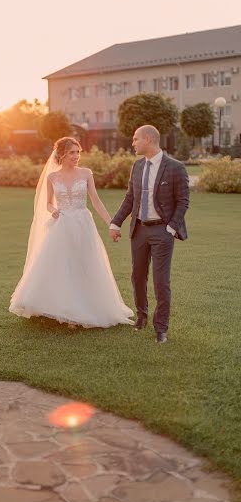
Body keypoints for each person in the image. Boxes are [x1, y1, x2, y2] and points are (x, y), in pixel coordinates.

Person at [9, 136, 133, 328]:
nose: (76, 156)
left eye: (78, 152)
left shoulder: (86, 173)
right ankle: (63, 309)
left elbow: (96, 201)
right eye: (72, 153)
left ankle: (83, 308)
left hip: (83, 223)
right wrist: (53, 210)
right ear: (62, 155)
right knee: (62, 266)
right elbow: (49, 203)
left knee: (83, 263)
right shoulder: (52, 177)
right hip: (62, 225)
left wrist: (112, 223)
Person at [109, 125, 189, 344]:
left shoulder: (175, 168)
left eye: (135, 139)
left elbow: (183, 201)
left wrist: (171, 227)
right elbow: (130, 198)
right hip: (139, 229)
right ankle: (141, 316)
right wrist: (116, 222)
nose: (132, 143)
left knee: (161, 281)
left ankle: (161, 328)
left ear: (148, 139)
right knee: (137, 277)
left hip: (162, 231)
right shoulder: (137, 166)